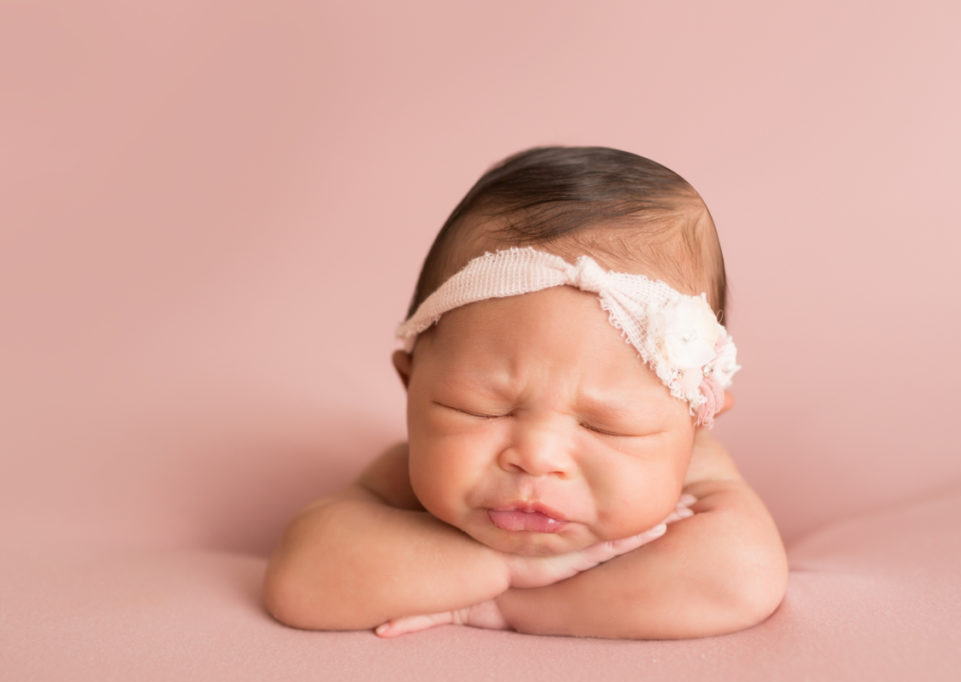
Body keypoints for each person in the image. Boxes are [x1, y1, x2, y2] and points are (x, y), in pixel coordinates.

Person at [262, 145, 788, 639]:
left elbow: (744, 576)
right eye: (481, 409)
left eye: (604, 424)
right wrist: (501, 567)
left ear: (696, 423)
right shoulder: (406, 477)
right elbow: (301, 579)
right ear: (410, 386)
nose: (536, 456)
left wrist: (501, 604)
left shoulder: (693, 478)